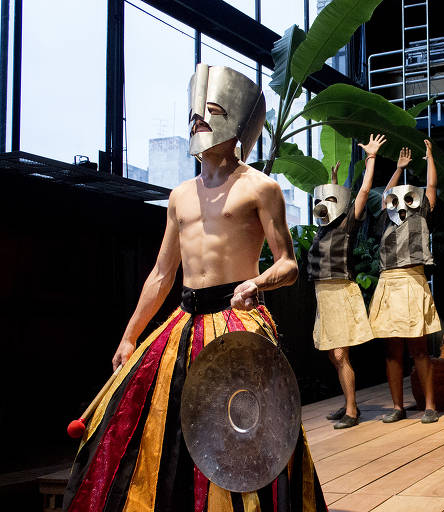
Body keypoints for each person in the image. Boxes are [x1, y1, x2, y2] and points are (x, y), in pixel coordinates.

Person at [65, 64, 326, 511]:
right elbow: (161, 274)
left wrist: (257, 282)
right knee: (157, 426)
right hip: (185, 321)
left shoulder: (260, 188)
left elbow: (289, 264)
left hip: (237, 317)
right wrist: (130, 336)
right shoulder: (179, 195)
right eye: (195, 112)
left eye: (212, 111)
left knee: (244, 427)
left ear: (238, 124)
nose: (198, 119)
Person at [308, 134, 386, 429]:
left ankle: (353, 410)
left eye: (332, 199)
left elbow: (364, 191)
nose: (325, 205)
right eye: (322, 199)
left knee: (340, 353)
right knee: (333, 354)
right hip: (323, 295)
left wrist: (371, 158)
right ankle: (348, 401)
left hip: (341, 291)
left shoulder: (347, 223)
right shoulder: (321, 230)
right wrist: (333, 181)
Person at [367, 140, 440, 424]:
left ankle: (430, 405)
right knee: (392, 351)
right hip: (389, 283)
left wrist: (430, 159)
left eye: (408, 199)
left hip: (412, 281)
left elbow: (431, 189)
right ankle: (398, 406)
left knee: (419, 349)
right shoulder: (386, 221)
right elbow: (386, 195)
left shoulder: (422, 215)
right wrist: (398, 169)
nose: (401, 204)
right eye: (396, 201)